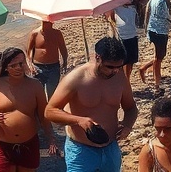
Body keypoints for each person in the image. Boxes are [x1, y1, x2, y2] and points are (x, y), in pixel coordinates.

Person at [45, 37, 138, 172]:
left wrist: (127, 125)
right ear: (97, 58)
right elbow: (49, 111)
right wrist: (78, 120)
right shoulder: (76, 79)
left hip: (110, 148)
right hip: (81, 150)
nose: (114, 71)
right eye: (110, 67)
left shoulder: (119, 77)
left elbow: (130, 108)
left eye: (118, 67)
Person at [0, 47, 59, 171]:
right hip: (1, 146)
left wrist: (51, 139)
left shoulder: (35, 85)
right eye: (13, 65)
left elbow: (43, 116)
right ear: (5, 67)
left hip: (29, 145)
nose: (19, 68)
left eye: (21, 63)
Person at [139, 0, 171, 95]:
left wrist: (146, 30)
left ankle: (145, 69)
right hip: (160, 32)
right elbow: (166, 16)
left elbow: (147, 15)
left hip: (152, 30)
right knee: (158, 59)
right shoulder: (161, 1)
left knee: (158, 57)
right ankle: (157, 86)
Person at [26, 21, 69, 100]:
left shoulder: (57, 33)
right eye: (45, 21)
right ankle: (39, 111)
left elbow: (63, 48)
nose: (48, 23)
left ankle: (48, 110)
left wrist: (65, 61)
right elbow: (29, 50)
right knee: (38, 94)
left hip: (54, 67)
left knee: (51, 94)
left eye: (50, 21)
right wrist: (30, 65)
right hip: (38, 67)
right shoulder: (35, 33)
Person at [107, 0, 140, 80]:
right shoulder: (116, 7)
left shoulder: (133, 7)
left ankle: (127, 80)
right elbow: (111, 19)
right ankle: (122, 81)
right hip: (122, 37)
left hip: (132, 36)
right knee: (121, 62)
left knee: (130, 62)